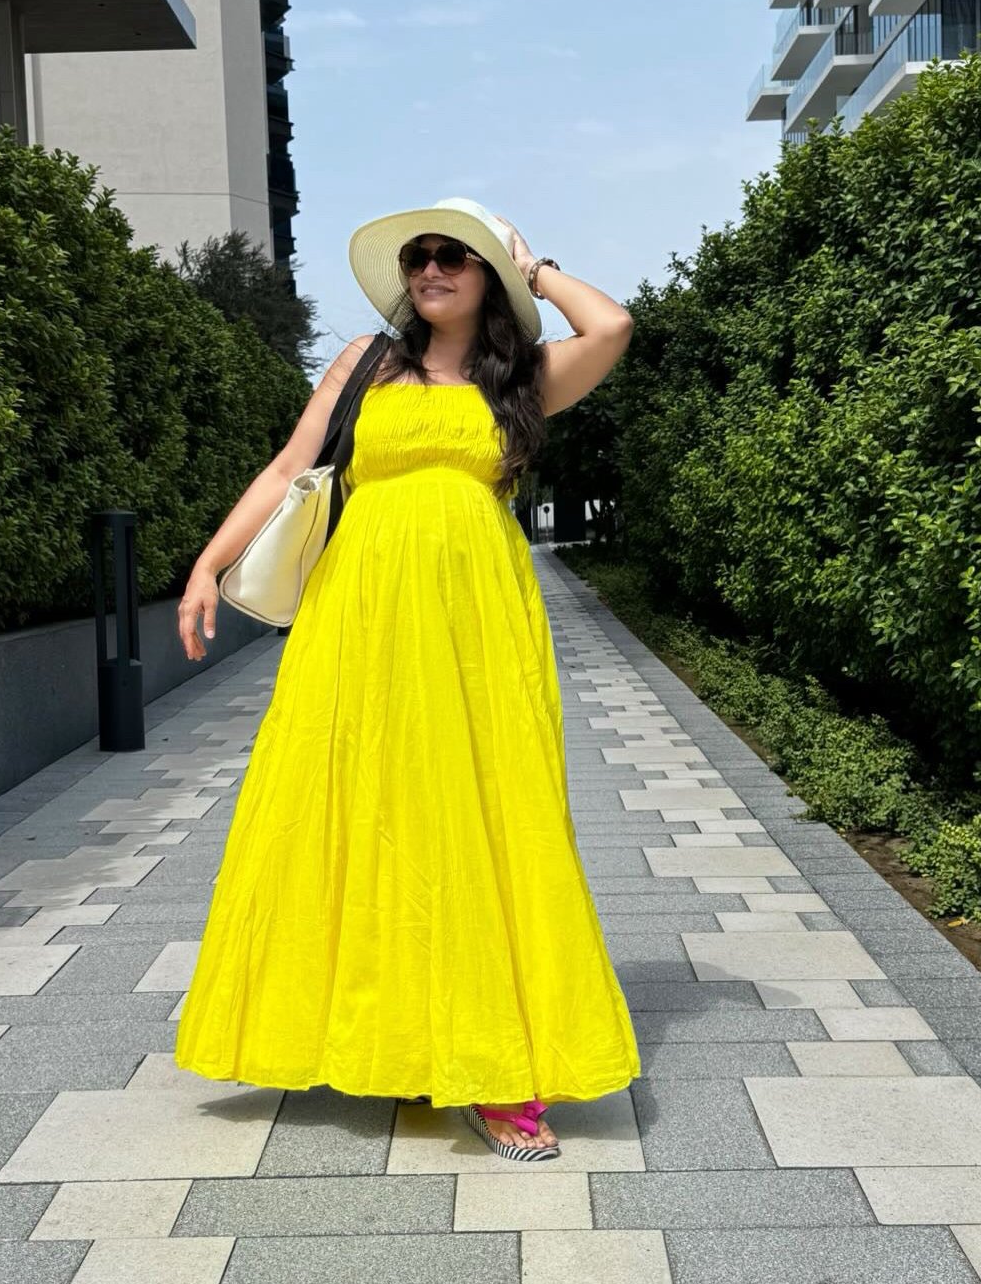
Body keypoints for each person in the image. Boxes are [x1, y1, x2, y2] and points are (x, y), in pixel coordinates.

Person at [172, 197, 641, 1161]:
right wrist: (208, 564)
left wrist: (535, 267)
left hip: (477, 626)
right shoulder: (365, 364)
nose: (430, 269)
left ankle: (497, 1068)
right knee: (361, 808)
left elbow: (613, 327)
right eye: (419, 257)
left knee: (484, 818)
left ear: (487, 277)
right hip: (361, 619)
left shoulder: (523, 377)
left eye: (453, 256)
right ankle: (391, 1037)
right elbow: (289, 469)